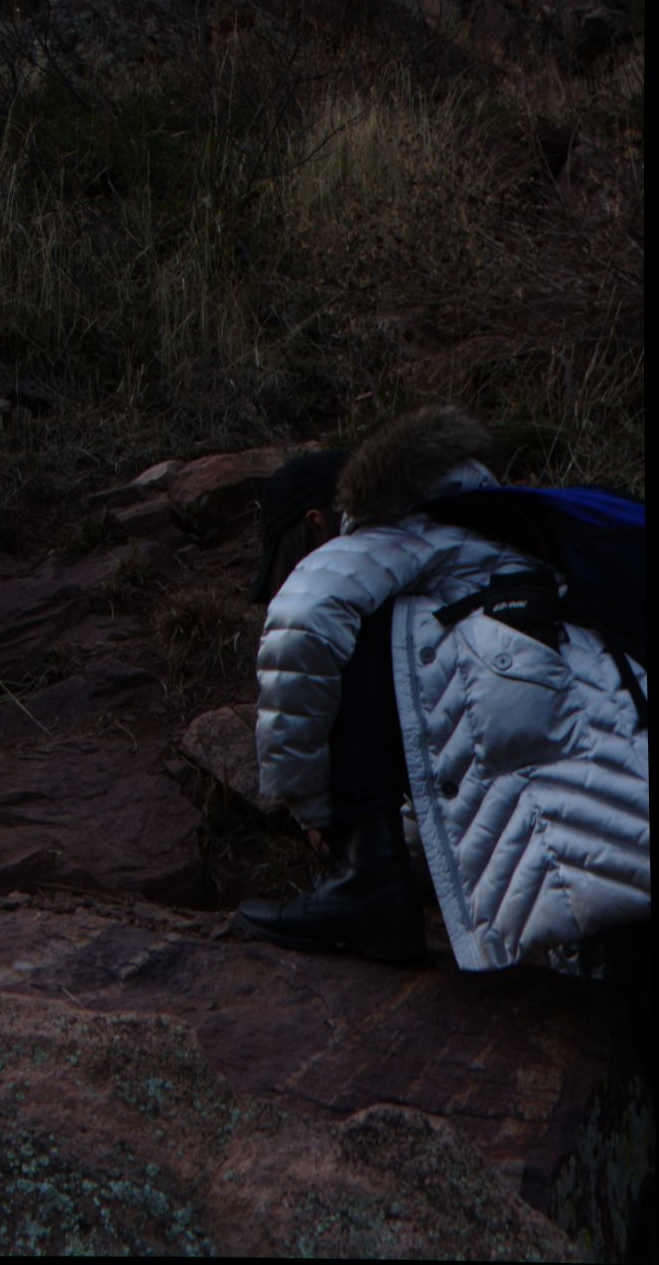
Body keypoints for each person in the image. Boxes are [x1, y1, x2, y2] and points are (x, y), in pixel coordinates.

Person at [237, 406, 649, 972]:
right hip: (620, 823)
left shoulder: (388, 537)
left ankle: (366, 884)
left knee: (343, 634)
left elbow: (301, 627)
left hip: (585, 858)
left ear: (316, 521)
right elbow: (461, 768)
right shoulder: (499, 541)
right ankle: (375, 881)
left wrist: (315, 809)